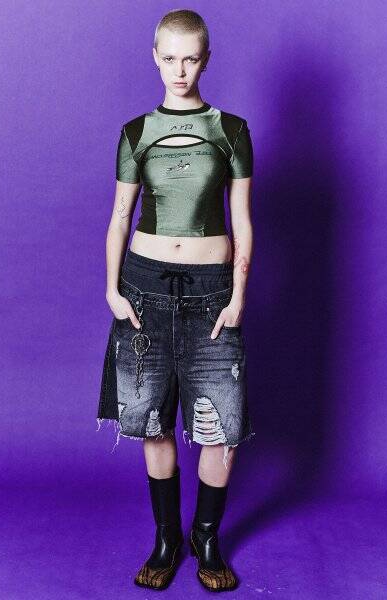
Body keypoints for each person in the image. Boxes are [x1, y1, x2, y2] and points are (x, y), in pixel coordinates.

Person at [96, 9, 255, 593]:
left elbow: (242, 220)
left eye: (190, 58)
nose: (179, 70)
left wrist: (238, 295)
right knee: (152, 421)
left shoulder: (231, 130)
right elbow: (120, 217)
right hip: (145, 288)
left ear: (205, 60)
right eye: (169, 58)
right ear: (155, 58)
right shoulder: (136, 133)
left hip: (212, 292)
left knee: (220, 426)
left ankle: (205, 538)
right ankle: (166, 540)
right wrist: (112, 290)